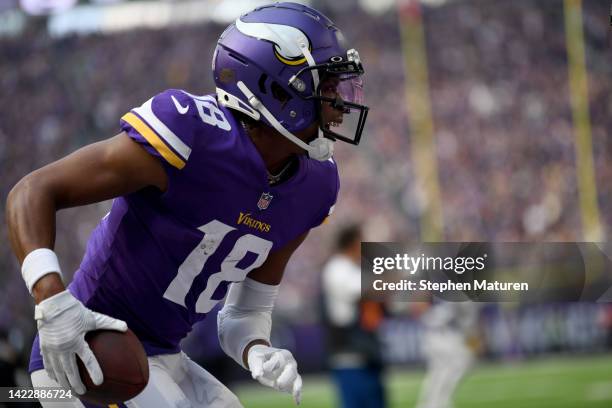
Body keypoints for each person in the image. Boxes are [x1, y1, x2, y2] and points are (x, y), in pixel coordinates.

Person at [5, 3, 369, 407]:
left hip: (165, 356)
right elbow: (32, 190)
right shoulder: (192, 133)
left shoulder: (315, 185)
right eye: (328, 87)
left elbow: (243, 315)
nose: (339, 103)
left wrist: (257, 349)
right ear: (278, 90)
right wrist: (53, 301)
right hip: (87, 348)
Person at [321, 225, 386, 408]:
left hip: (367, 352)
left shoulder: (353, 268)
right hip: (349, 354)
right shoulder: (337, 268)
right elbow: (361, 289)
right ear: (353, 243)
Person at [416, 301, 480, 408]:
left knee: (438, 372)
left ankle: (433, 403)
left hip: (435, 334)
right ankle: (437, 402)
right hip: (442, 335)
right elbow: (466, 323)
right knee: (454, 366)